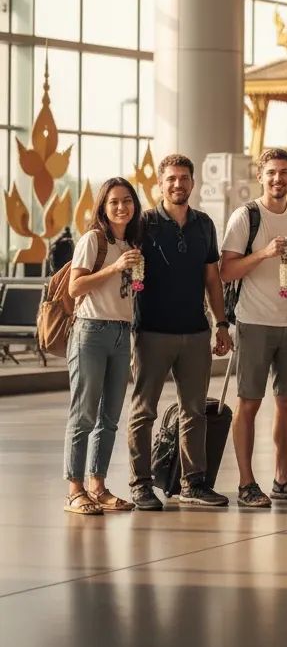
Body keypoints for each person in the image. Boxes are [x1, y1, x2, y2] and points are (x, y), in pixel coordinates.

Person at [128, 154, 232, 511]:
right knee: (144, 411)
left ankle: (194, 483)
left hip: (195, 333)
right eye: (171, 178)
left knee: (194, 411)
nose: (178, 184)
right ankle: (141, 484)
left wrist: (221, 323)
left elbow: (212, 279)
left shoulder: (204, 224)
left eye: (184, 178)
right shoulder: (143, 223)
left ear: (193, 182)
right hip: (152, 333)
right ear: (160, 183)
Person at [221, 148, 287, 508]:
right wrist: (263, 253)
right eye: (272, 173)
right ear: (260, 176)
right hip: (253, 321)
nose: (278, 179)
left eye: (285, 173)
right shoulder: (246, 216)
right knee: (249, 403)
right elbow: (225, 271)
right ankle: (246, 482)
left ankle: (282, 477)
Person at [63, 178, 144, 516]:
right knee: (83, 415)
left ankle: (98, 485)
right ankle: (74, 490)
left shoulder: (132, 243)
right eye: (114, 202)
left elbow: (128, 292)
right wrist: (115, 266)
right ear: (103, 207)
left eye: (127, 201)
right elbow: (74, 287)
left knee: (109, 417)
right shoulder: (92, 240)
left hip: (121, 334)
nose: (121, 207)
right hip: (91, 332)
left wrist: (134, 273)